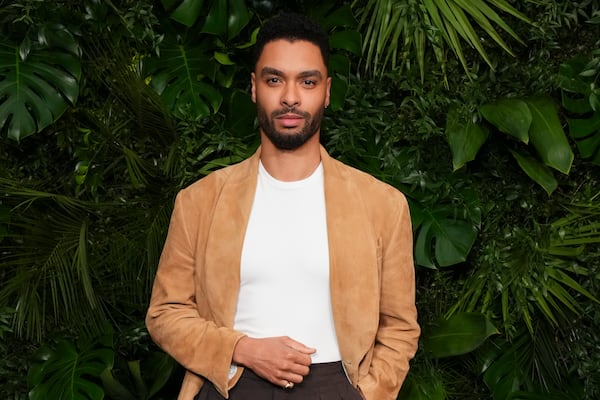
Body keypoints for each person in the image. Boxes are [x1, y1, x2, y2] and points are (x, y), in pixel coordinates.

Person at [146, 11, 420, 400]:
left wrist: (368, 394)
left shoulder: (382, 205)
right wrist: (241, 349)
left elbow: (399, 327)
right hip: (232, 385)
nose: (290, 97)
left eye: (306, 81)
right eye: (275, 79)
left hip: (338, 388)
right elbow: (165, 312)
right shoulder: (200, 201)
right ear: (254, 88)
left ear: (326, 90)